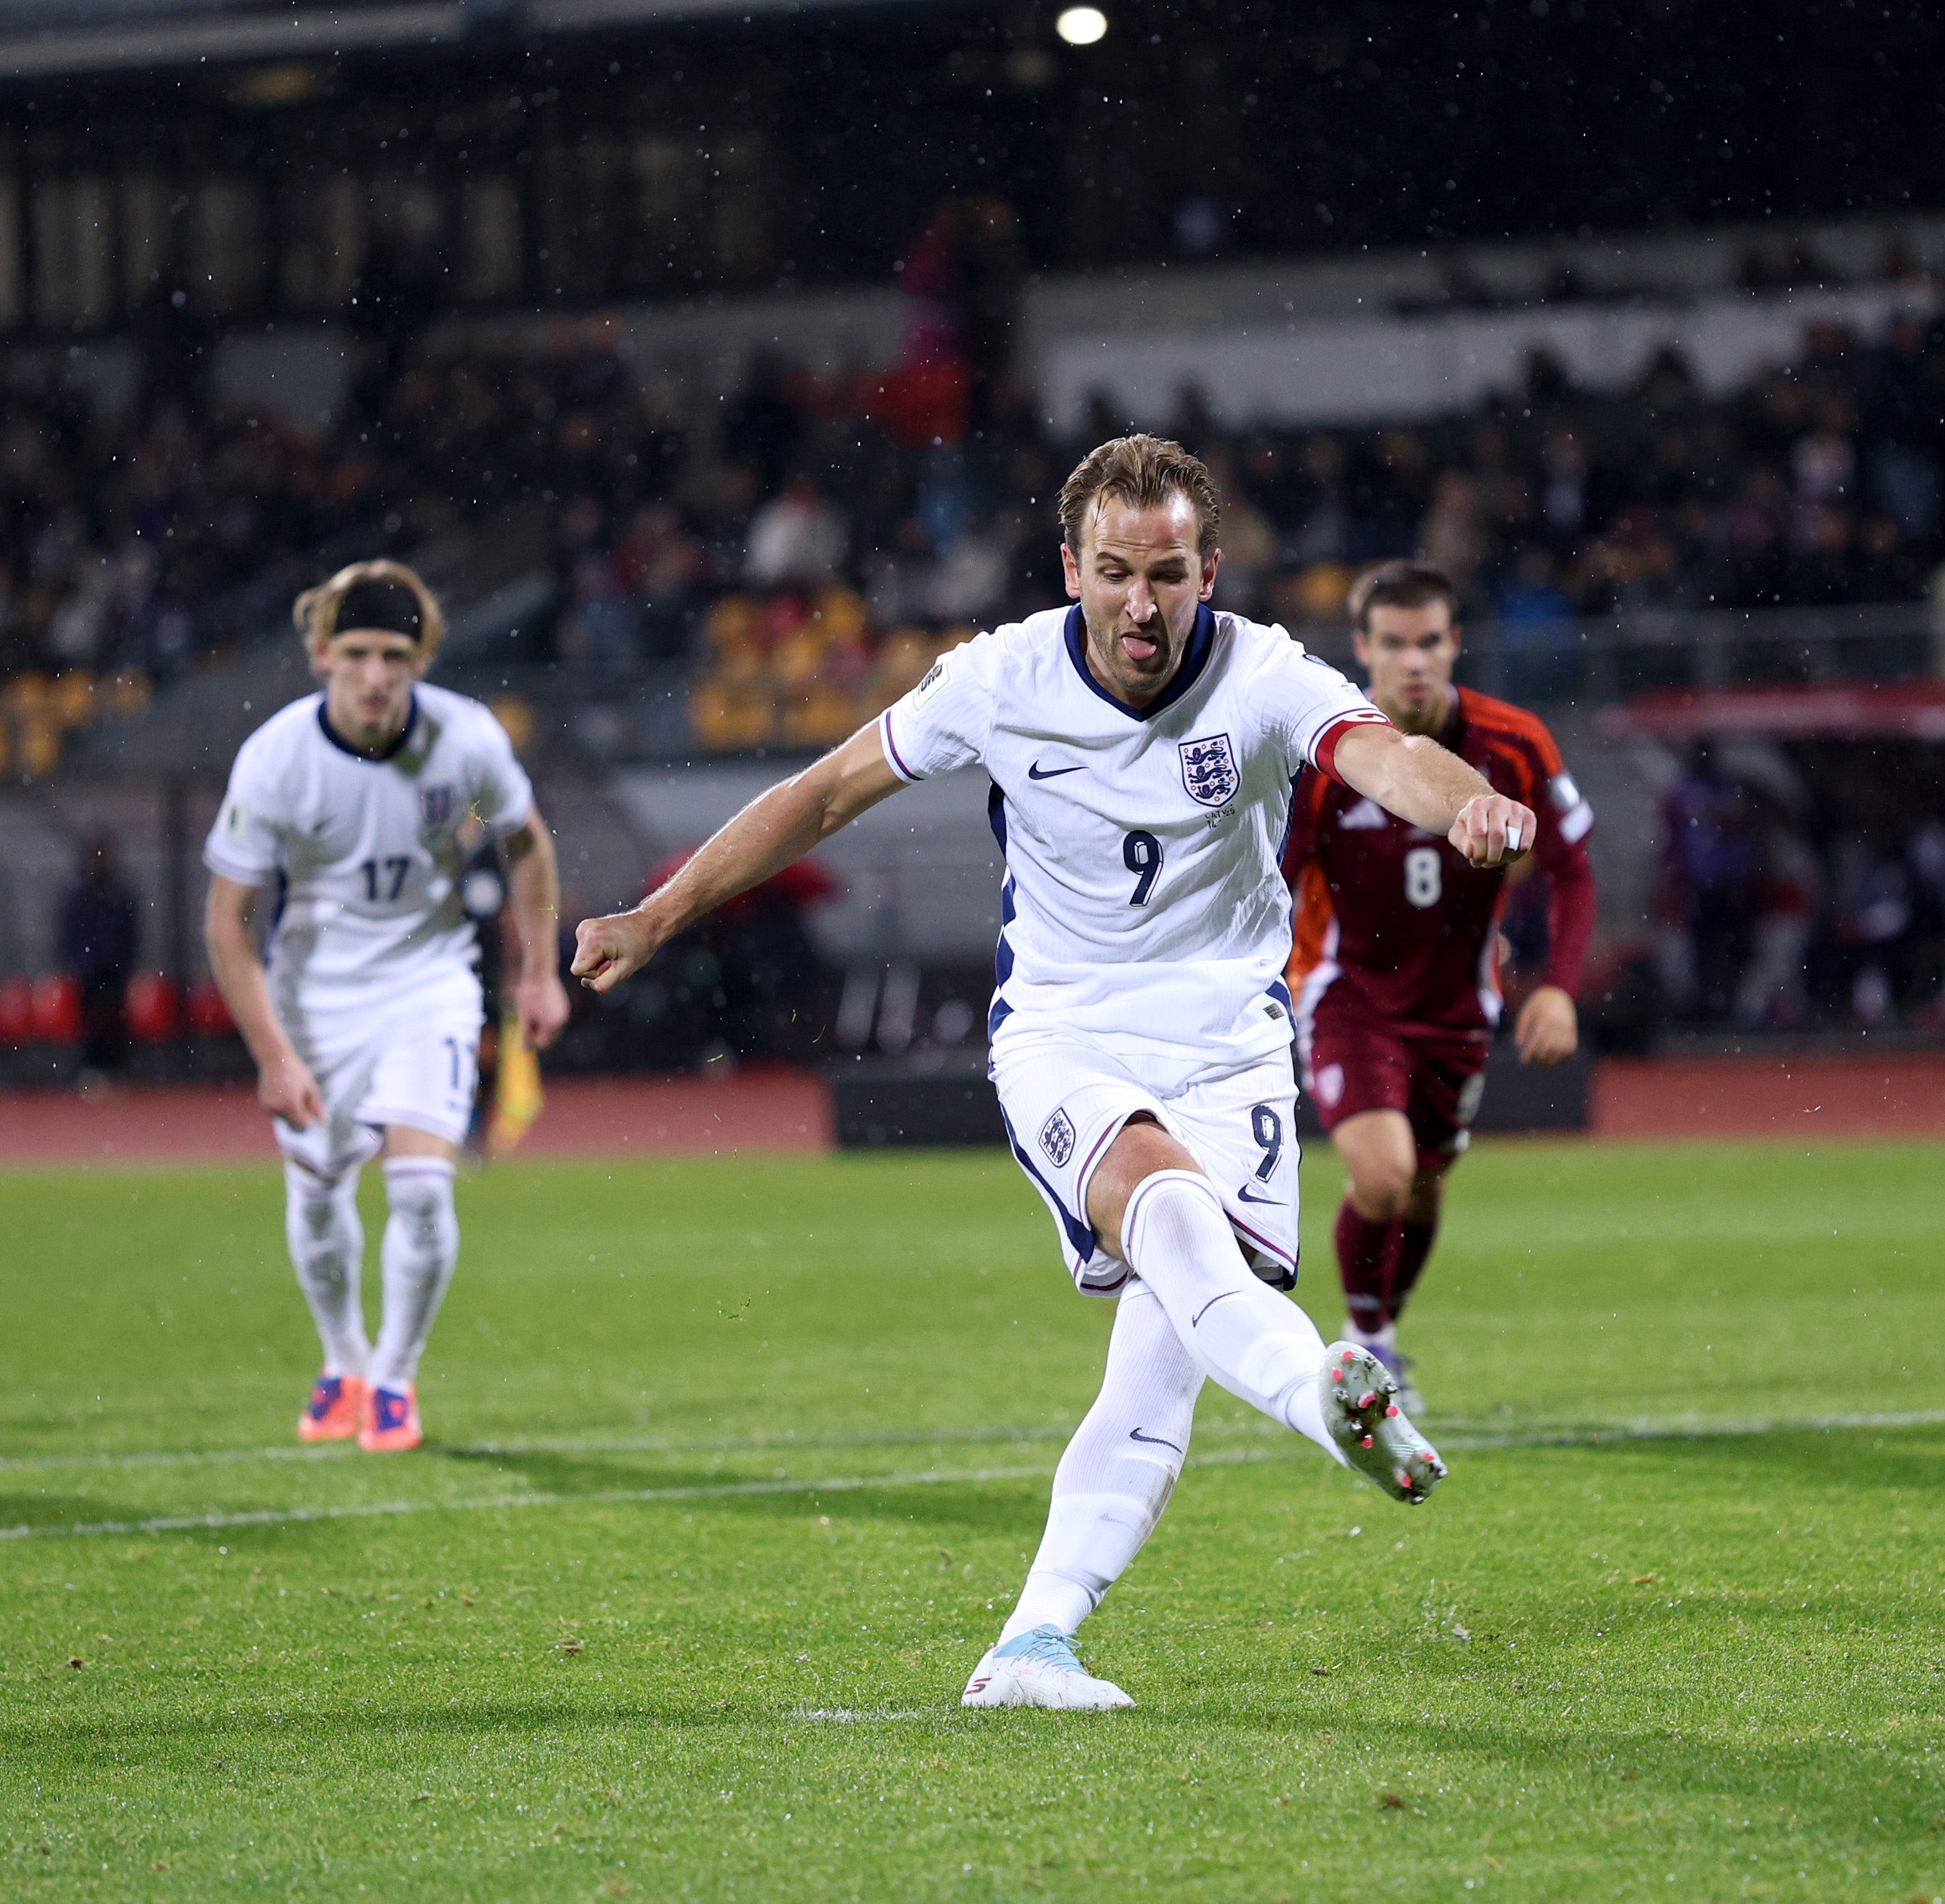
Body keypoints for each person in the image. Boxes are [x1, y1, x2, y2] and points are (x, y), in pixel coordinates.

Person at [571, 437, 1536, 1711]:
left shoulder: (1260, 672)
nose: (1144, 604)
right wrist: (659, 911)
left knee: (1159, 1362)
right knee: (1177, 1224)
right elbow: (819, 794)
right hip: (1068, 1034)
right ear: (1072, 565)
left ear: (1211, 570)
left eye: (1171, 573)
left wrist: (1467, 799)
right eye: (1118, 572)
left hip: (1231, 1047)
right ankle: (1325, 1393)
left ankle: (1033, 1642)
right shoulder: (998, 677)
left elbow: (1384, 756)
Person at [202, 561, 568, 1454]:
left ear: (421, 659)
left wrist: (538, 971)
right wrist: (274, 1055)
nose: (375, 675)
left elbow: (527, 845)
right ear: (323, 655)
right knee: (321, 1190)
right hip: (313, 998)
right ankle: (344, 1363)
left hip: (427, 981)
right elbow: (226, 921)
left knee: (422, 1189)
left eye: (395, 656)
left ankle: (395, 1380)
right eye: (358, 652)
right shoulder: (278, 759)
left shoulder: (467, 739)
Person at [1283, 560, 1595, 1412]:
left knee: (1424, 1185)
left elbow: (1571, 869)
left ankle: (1380, 1335)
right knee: (1382, 1177)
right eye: (1393, 643)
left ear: (1455, 644)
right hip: (1346, 994)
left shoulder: (1515, 742)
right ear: (1363, 650)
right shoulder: (1328, 754)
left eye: (1428, 641)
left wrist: (1558, 986)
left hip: (1459, 1004)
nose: (1412, 661)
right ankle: (1361, 1341)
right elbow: (1275, 879)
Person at [57, 835, 139, 1081]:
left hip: (114, 970)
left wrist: (119, 960)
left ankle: (116, 1068)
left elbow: (129, 933)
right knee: (90, 1022)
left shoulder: (119, 895)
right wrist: (80, 962)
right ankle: (91, 1068)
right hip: (89, 971)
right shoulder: (79, 895)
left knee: (115, 1019)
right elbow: (70, 932)